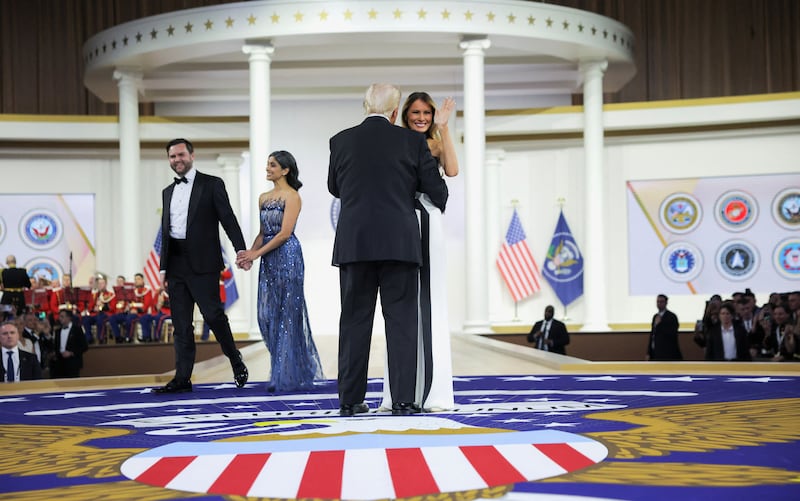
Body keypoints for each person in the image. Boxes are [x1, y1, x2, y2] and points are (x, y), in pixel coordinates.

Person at [328, 83, 448, 416]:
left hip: (355, 244)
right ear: (396, 113)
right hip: (400, 244)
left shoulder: (340, 141)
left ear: (365, 106)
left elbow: (334, 188)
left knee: (353, 322)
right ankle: (405, 401)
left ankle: (350, 402)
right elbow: (437, 193)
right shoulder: (412, 141)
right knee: (401, 323)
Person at [378, 92, 458, 413]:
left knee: (431, 299)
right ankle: (402, 386)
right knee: (403, 303)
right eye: (415, 112)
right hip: (400, 220)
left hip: (429, 222)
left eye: (427, 112)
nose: (421, 117)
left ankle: (432, 388)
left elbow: (451, 171)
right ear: (404, 114)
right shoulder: (394, 142)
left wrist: (445, 128)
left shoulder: (435, 144)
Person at [155, 138, 249, 394]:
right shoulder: (167, 192)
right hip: (175, 265)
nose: (177, 160)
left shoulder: (212, 184)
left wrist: (241, 249)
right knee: (181, 325)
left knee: (214, 317)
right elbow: (166, 232)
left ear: (192, 155)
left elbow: (228, 219)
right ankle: (182, 378)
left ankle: (234, 359)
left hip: (204, 263)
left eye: (181, 155)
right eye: (172, 156)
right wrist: (163, 268)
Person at [237, 151, 324, 392]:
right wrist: (249, 254)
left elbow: (285, 233)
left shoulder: (292, 196)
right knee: (267, 315)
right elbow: (263, 232)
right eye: (268, 164)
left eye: (272, 165)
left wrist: (257, 253)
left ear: (285, 170)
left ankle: (283, 375)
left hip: (288, 256)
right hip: (269, 258)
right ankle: (285, 368)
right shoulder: (263, 197)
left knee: (288, 315)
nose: (268, 168)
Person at [51, 309, 88, 378]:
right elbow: (56, 346)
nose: (60, 318)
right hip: (60, 363)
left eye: (62, 317)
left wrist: (71, 353)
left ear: (69, 318)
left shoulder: (77, 330)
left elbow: (84, 346)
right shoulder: (57, 331)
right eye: (60, 316)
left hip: (73, 362)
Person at [647, 294, 683, 360]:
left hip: (667, 352)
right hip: (655, 352)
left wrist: (660, 324)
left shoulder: (672, 316)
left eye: (661, 302)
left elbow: (672, 333)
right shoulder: (655, 316)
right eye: (657, 302)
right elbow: (652, 335)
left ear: (666, 303)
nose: (659, 303)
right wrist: (648, 352)